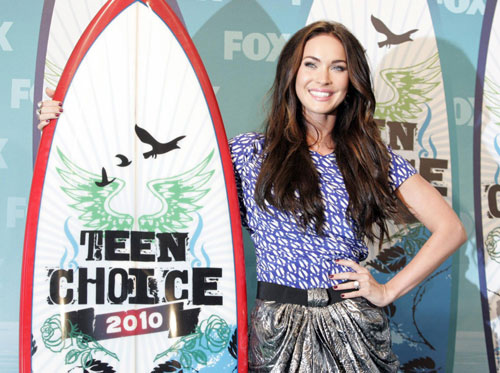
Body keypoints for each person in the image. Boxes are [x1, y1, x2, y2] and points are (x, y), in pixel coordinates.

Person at [38, 21, 466, 372]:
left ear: (352, 79)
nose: (323, 78)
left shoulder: (371, 155)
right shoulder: (249, 152)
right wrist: (70, 123)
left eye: (338, 67)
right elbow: (151, 169)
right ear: (291, 74)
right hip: (276, 325)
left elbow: (450, 228)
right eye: (311, 64)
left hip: (351, 327)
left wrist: (387, 291)